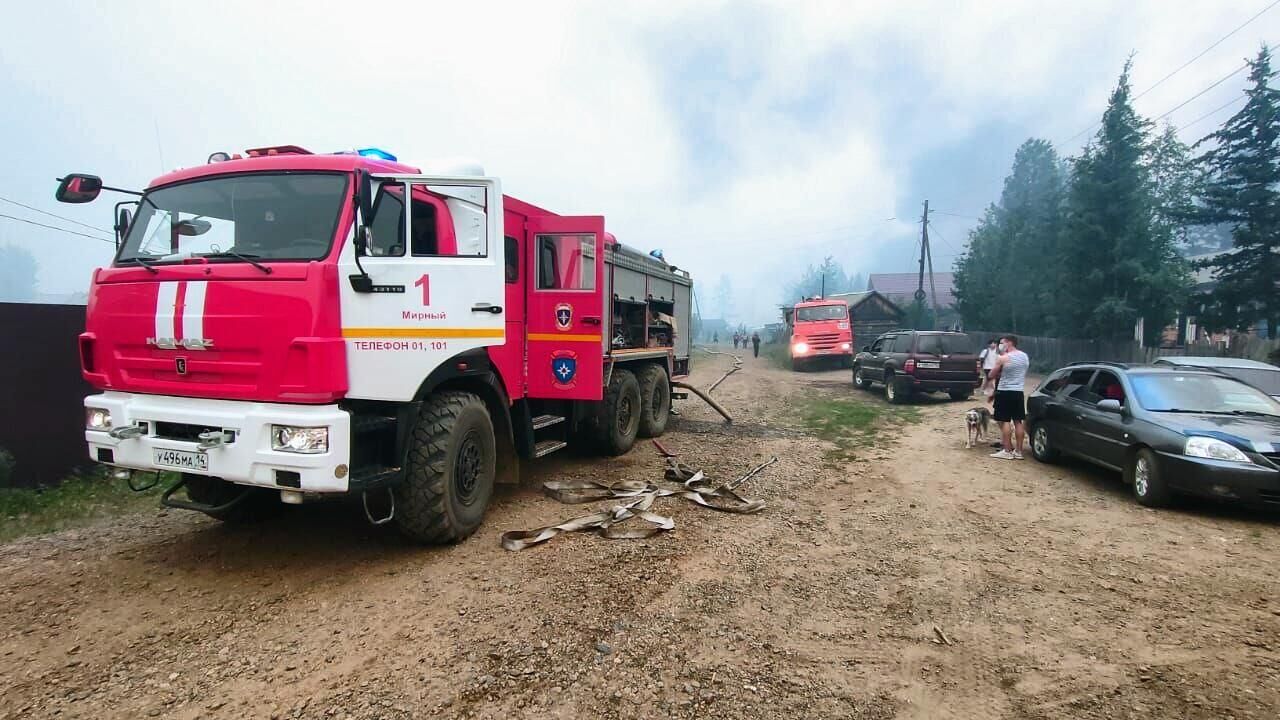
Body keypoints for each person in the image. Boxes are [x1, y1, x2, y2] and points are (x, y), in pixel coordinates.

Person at [986, 334, 1029, 460]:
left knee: (1004, 421)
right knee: (1018, 421)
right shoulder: (1024, 356)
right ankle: (1019, 451)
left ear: (1009, 343)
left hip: (1005, 391)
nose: (1001, 345)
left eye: (1002, 342)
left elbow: (992, 374)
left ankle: (1007, 450)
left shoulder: (1003, 357)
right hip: (1018, 391)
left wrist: (996, 371)